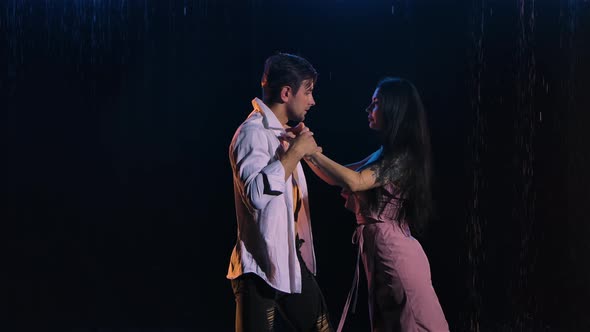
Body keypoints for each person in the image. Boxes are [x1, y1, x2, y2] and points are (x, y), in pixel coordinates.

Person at [303, 77, 449, 331]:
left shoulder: (404, 157)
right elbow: (337, 177)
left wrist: (310, 151)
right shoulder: (384, 154)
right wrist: (299, 151)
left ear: (395, 109)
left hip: (395, 253)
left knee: (412, 324)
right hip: (378, 250)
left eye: (376, 103)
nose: (369, 110)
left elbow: (356, 181)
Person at [226, 52, 335, 332]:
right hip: (259, 269)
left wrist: (303, 152)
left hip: (288, 261)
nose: (312, 101)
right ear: (287, 93)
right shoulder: (252, 133)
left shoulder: (281, 135)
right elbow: (255, 195)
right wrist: (294, 154)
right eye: (308, 92)